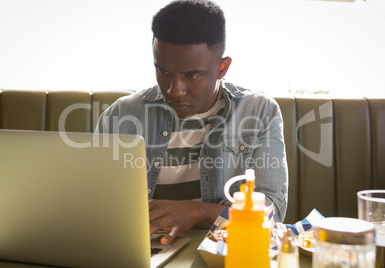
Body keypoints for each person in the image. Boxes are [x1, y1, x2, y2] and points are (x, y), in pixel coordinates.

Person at [95, 0, 288, 245]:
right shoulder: (120, 115)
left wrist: (198, 212)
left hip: (222, 251)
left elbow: (272, 212)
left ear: (222, 67)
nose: (175, 90)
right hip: (143, 249)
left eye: (191, 75)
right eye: (163, 72)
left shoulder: (260, 111)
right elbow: (97, 204)